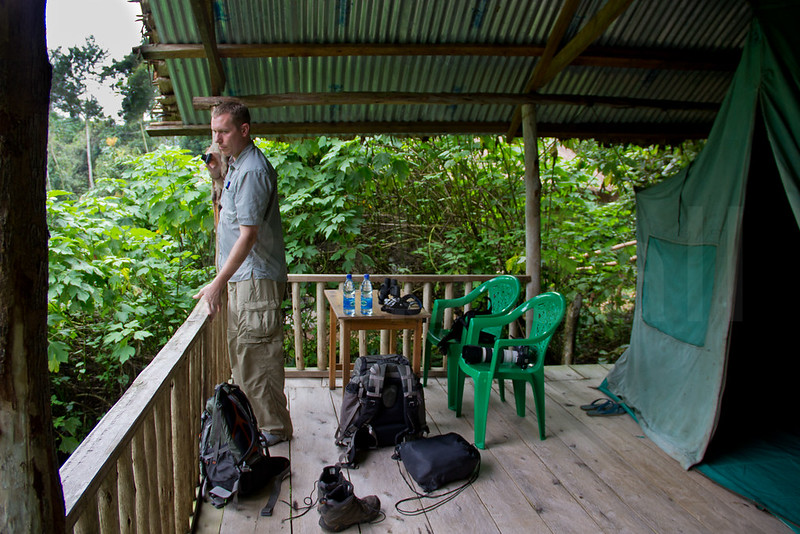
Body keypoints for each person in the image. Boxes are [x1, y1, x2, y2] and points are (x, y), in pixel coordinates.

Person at [194, 101, 292, 446]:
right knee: (244, 357)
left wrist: (216, 284)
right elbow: (230, 220)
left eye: (223, 132)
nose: (216, 139)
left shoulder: (252, 170)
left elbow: (248, 235)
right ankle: (261, 426)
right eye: (213, 131)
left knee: (258, 358)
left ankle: (274, 430)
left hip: (255, 280)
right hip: (243, 279)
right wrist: (218, 174)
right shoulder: (236, 166)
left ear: (244, 130)